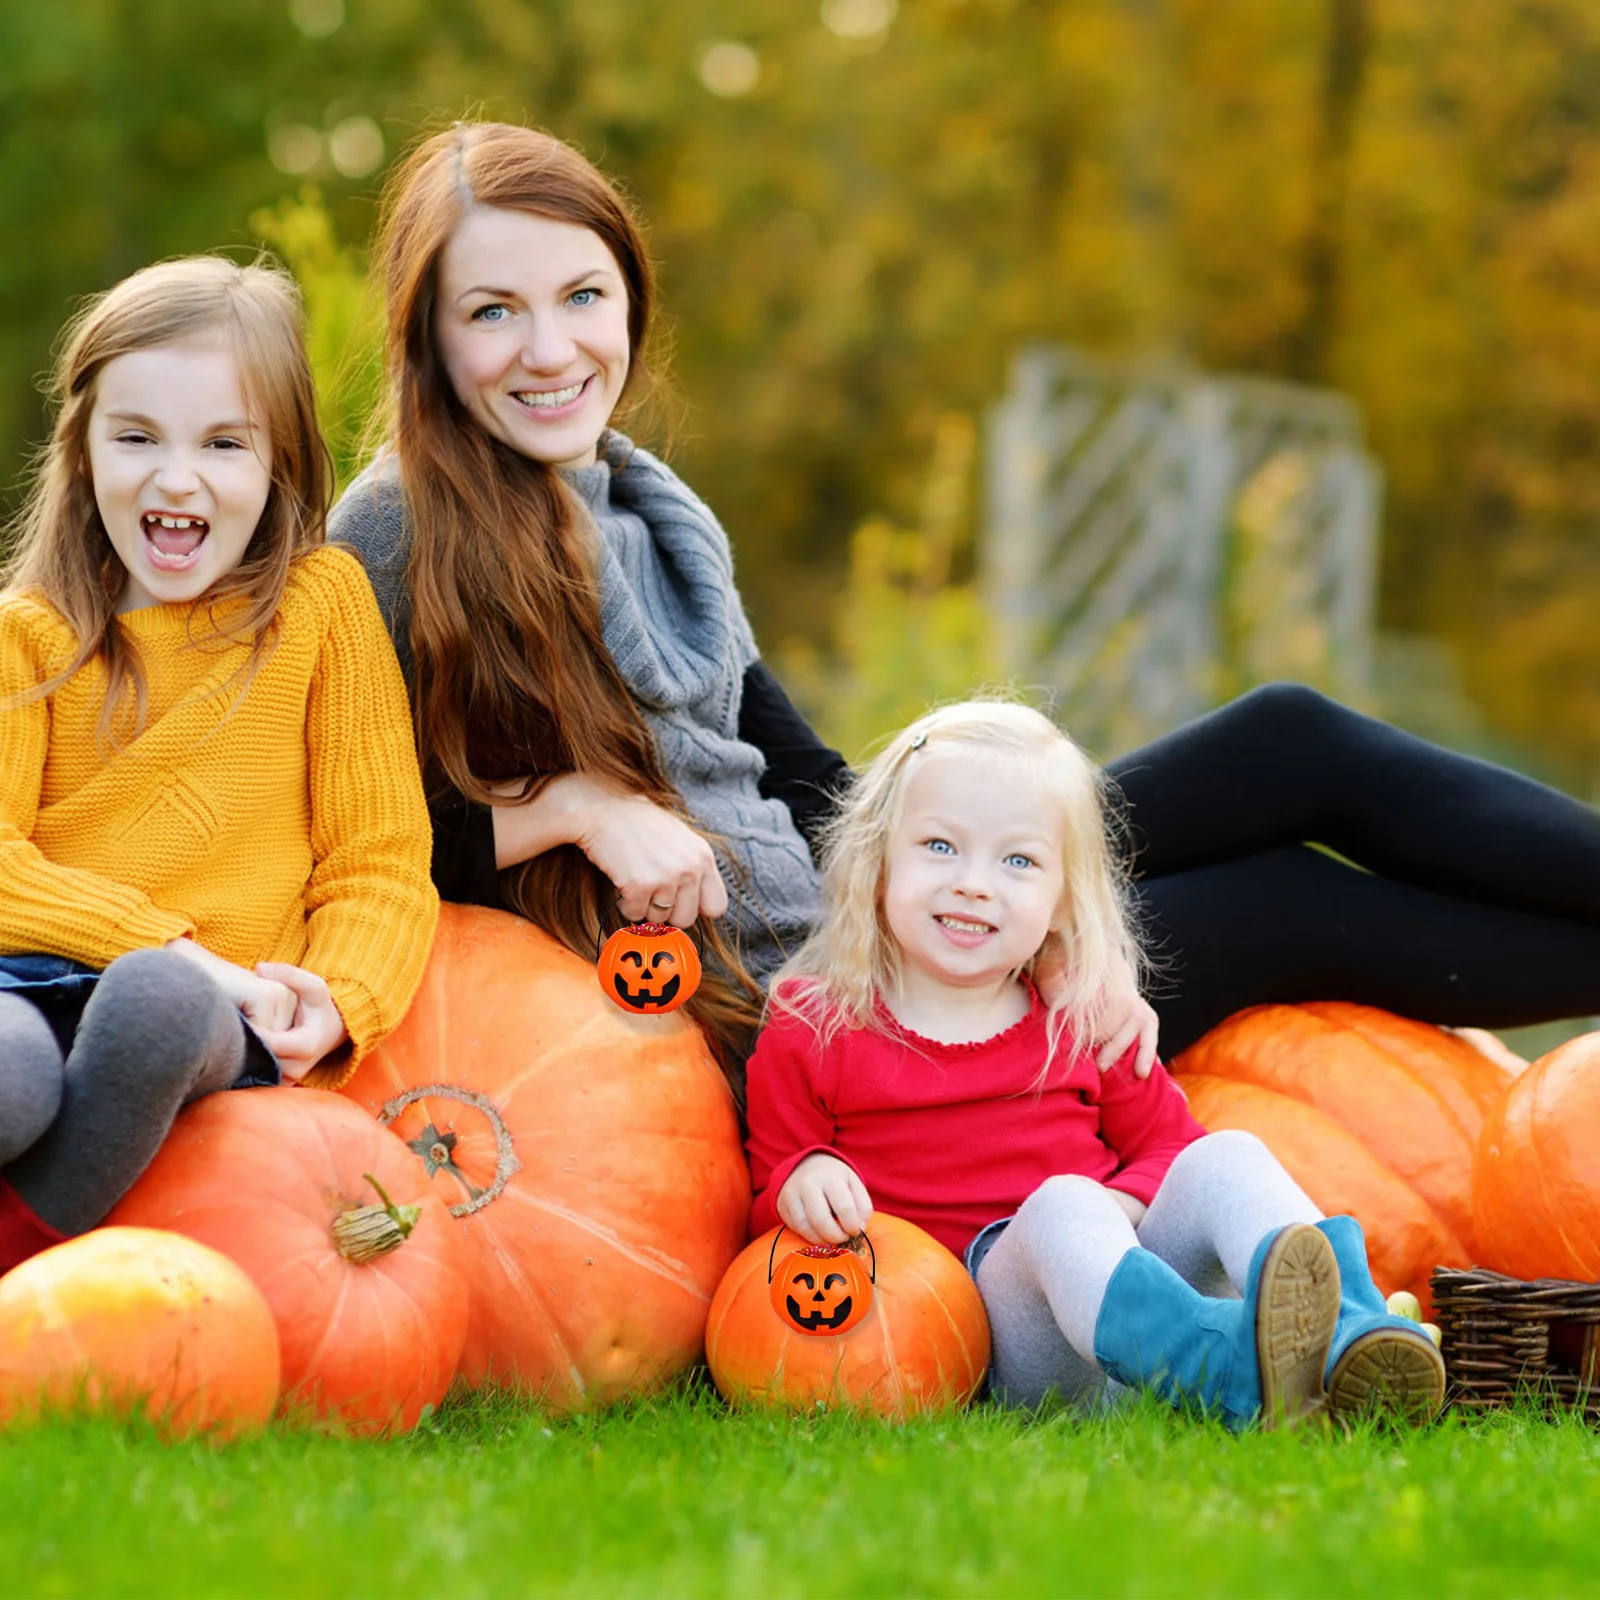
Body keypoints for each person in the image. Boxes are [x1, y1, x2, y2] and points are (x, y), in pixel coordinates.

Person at [334, 118, 1600, 1081]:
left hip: (843, 906)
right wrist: (580, 810)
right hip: (785, 1023)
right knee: (1284, 903)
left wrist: (972, 818)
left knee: (1285, 739)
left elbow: (803, 779)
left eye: (581, 297)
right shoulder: (396, 531)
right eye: (492, 313)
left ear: (628, 298)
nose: (551, 350)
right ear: (430, 340)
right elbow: (338, 841)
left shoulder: (642, 506)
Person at [745, 699, 1446, 1428]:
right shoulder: (815, 1026)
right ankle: (1231, 1373)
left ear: (1059, 902)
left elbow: (1172, 1148)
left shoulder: (1082, 1019)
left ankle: (1352, 1337)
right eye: (940, 846)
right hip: (993, 1340)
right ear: (878, 864)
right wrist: (803, 1175)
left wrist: (1127, 1205)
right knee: (1061, 1204)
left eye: (1018, 860)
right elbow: (762, 1206)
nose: (974, 883)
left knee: (1226, 1155)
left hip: (1127, 1298)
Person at [0, 256, 439, 1274]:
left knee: (155, 1002)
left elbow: (376, 859)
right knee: (10, 1070)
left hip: (217, 1014)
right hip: (33, 978)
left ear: (280, 464)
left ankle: (26, 1276)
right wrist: (163, 940)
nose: (177, 476)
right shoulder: (30, 637)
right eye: (137, 437)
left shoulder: (319, 609)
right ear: (83, 452)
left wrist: (336, 998)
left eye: (223, 444)